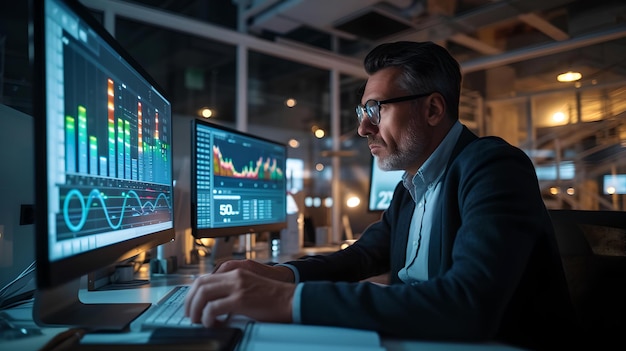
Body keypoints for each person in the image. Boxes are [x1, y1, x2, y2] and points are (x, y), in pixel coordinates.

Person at [184, 41, 580, 350]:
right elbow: (361, 257)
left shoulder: (492, 166)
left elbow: (467, 305)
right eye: (361, 112)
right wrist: (282, 274)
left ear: (433, 109)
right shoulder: (413, 184)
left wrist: (288, 301)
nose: (363, 129)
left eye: (376, 109)